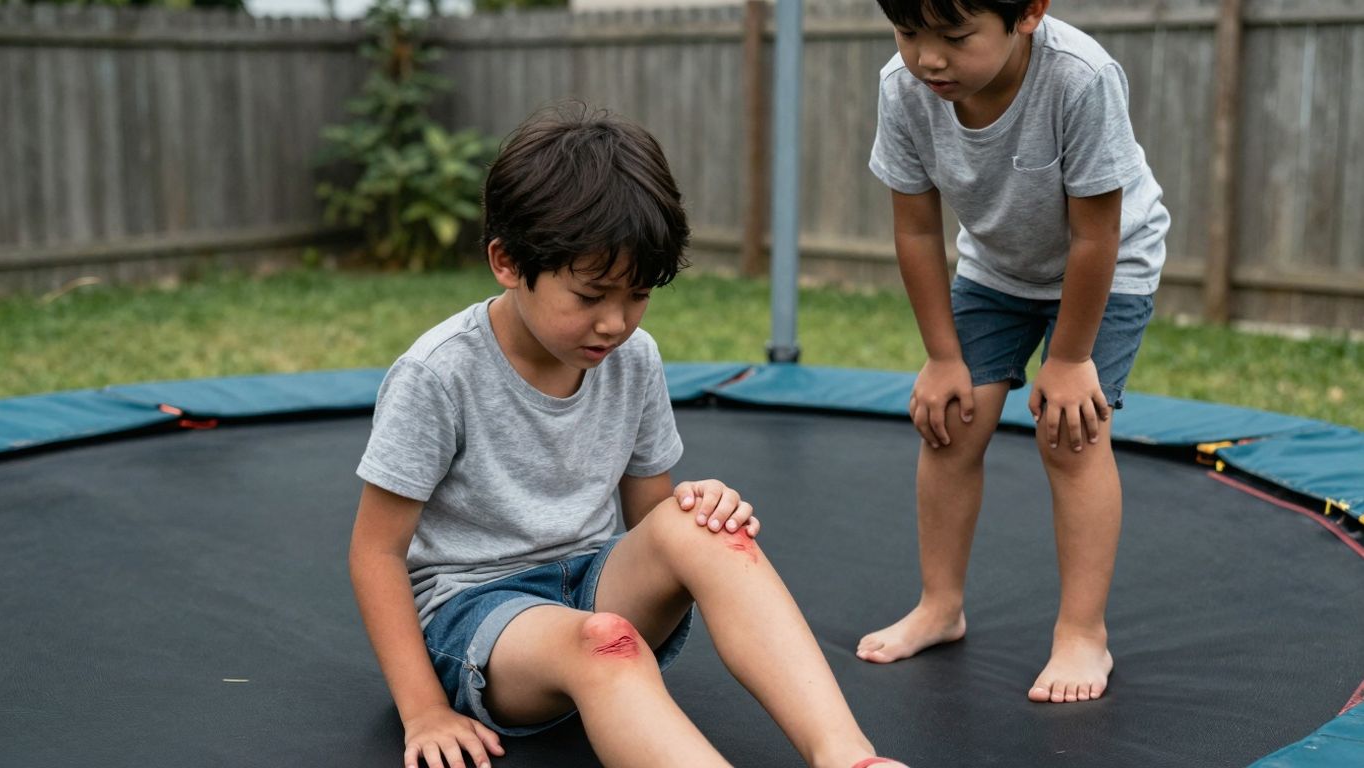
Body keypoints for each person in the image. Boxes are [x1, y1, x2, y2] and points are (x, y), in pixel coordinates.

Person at [349, 104, 909, 768]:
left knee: (708, 531)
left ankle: (848, 756)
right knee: (604, 641)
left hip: (592, 583)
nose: (614, 323)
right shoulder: (439, 374)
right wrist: (424, 711)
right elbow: (376, 553)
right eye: (590, 296)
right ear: (506, 261)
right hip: (476, 621)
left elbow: (655, 522)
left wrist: (699, 511)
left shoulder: (632, 359)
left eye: (637, 295)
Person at [856, 0, 1169, 706]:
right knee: (952, 423)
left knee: (1072, 434)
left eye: (955, 38)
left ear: (1028, 13)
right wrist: (942, 358)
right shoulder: (903, 88)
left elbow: (1096, 235)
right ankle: (941, 606)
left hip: (1107, 267)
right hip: (996, 269)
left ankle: (1084, 631)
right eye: (908, 34)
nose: (928, 58)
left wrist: (1068, 360)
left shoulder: (1079, 79)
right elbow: (914, 228)